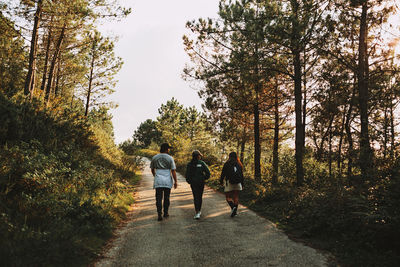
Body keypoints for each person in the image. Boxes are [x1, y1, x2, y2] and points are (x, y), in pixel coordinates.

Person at [150, 143, 178, 221]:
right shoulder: (170, 158)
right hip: (167, 180)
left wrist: (155, 176)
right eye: (168, 148)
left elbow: (152, 169)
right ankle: (165, 212)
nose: (169, 150)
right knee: (166, 197)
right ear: (166, 149)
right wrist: (175, 181)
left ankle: (159, 214)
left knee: (158, 198)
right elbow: (173, 171)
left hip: (158, 179)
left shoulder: (155, 157)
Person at [185, 150, 210, 220]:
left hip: (193, 183)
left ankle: (197, 212)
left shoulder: (190, 164)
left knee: (195, 196)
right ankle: (199, 211)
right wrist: (203, 178)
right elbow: (208, 173)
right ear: (199, 156)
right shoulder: (202, 163)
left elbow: (187, 174)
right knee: (200, 196)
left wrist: (189, 181)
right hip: (201, 182)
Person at [219, 152, 244, 217]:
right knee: (236, 196)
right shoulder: (239, 164)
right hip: (238, 182)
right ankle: (235, 210)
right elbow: (241, 175)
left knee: (228, 197)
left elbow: (223, 174)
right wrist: (242, 184)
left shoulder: (227, 164)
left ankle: (233, 208)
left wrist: (221, 181)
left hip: (229, 182)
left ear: (229, 157)